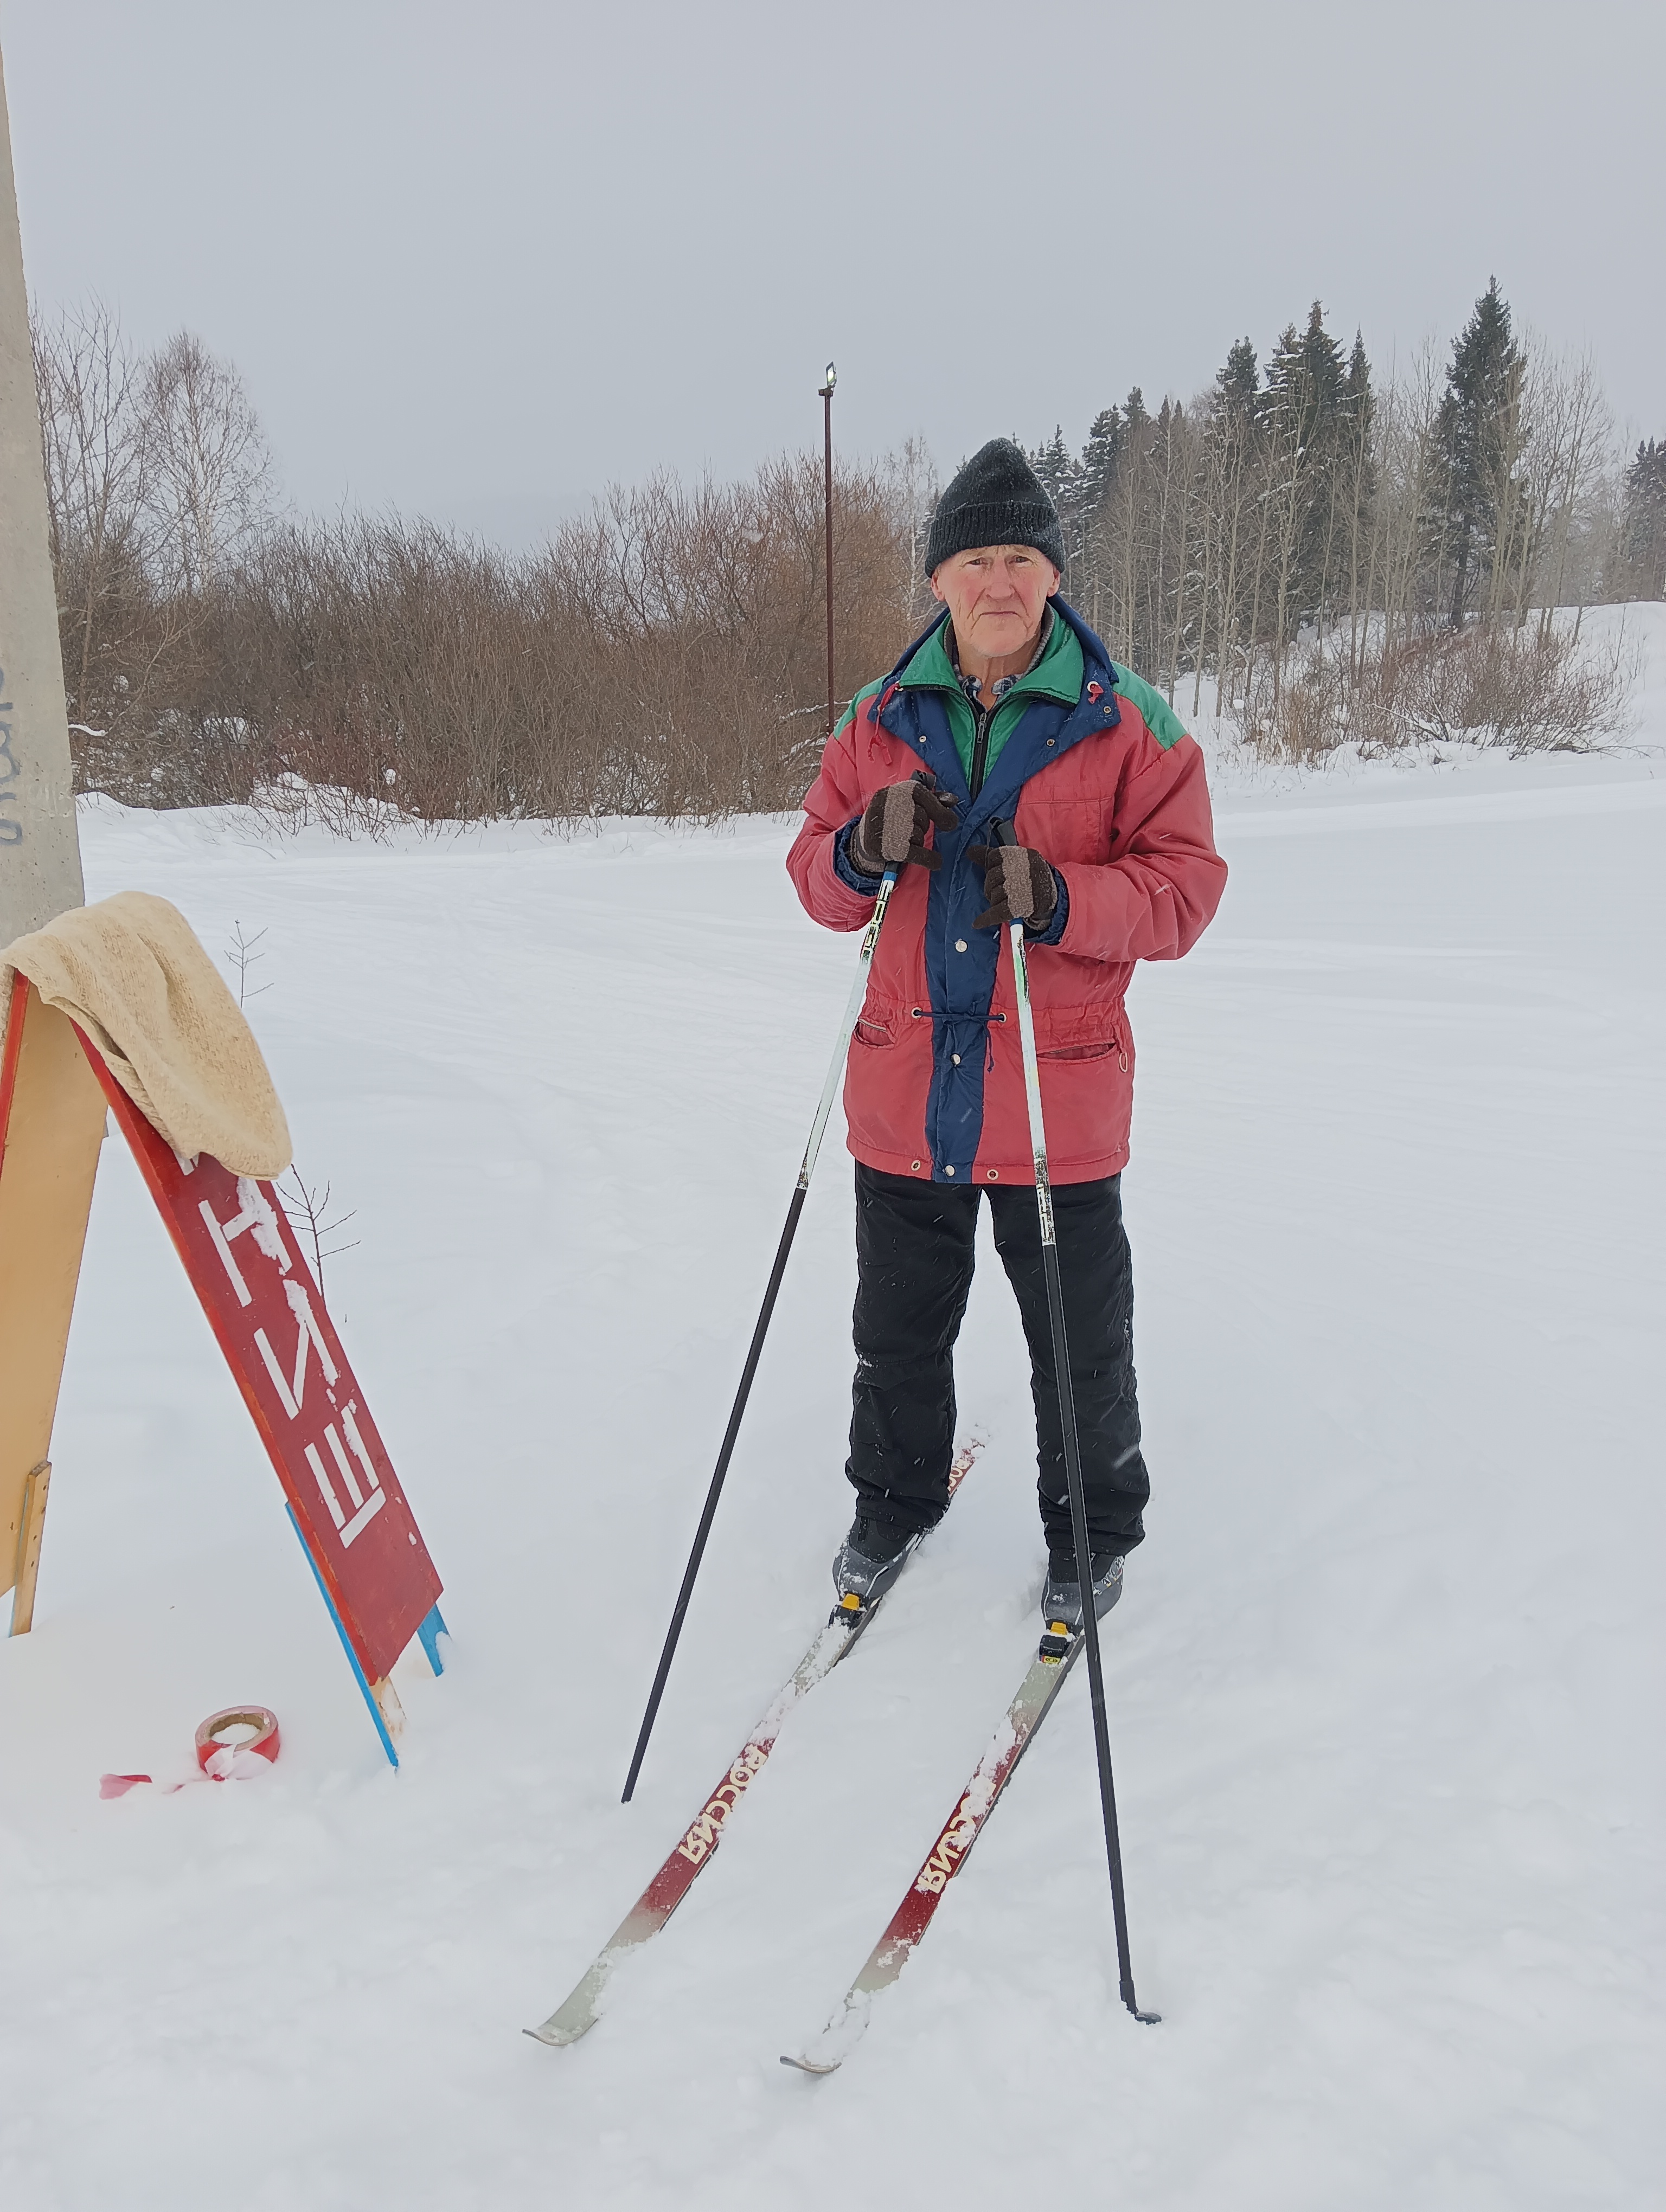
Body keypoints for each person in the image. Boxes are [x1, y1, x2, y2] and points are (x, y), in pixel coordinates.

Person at [786, 439, 1227, 1631]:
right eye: (975, 558)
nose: (998, 581)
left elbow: (1185, 892)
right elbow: (816, 885)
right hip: (906, 1092)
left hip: (1056, 1102)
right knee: (896, 1336)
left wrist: (1067, 899)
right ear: (938, 579)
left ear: (1052, 574)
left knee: (1082, 1348)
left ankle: (1092, 1536)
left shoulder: (1131, 721)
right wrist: (858, 848)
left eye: (1020, 557)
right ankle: (893, 1505)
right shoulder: (875, 719)